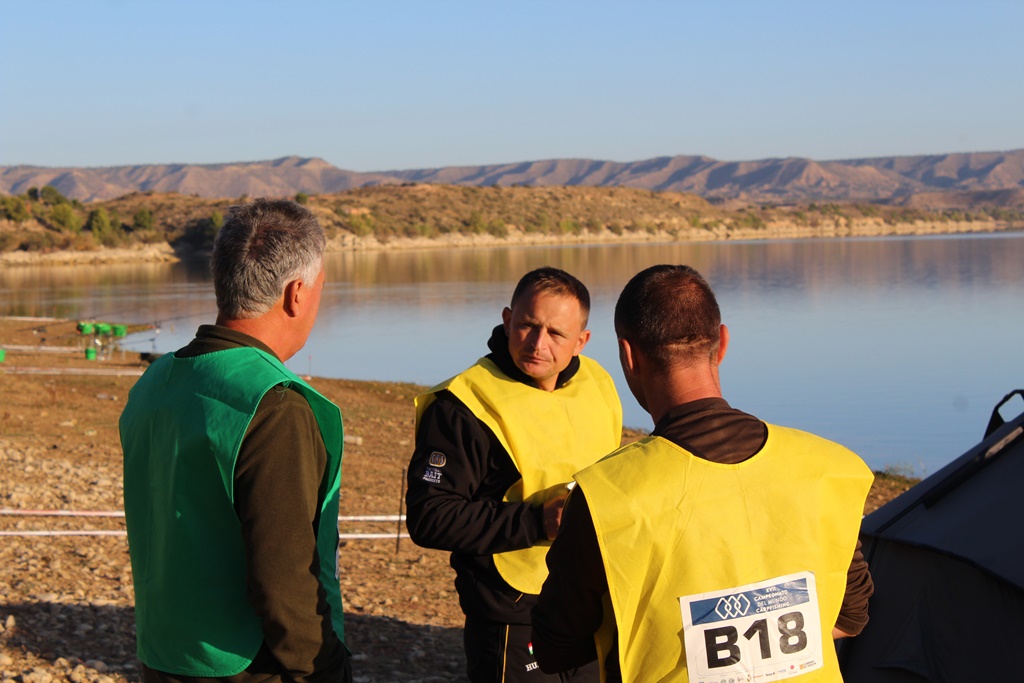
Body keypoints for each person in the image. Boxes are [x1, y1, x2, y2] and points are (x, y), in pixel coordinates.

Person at [532, 265, 874, 683]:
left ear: (628, 355)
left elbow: (554, 648)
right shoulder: (830, 469)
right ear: (723, 343)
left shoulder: (607, 495)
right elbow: (851, 615)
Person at [120, 199, 352, 683]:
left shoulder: (155, 383)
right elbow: (284, 578)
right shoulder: (275, 406)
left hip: (163, 655)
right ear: (297, 294)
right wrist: (325, 668)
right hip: (246, 666)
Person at [406, 267, 623, 683]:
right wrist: (539, 521)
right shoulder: (463, 404)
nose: (538, 344)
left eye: (557, 334)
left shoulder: (599, 383)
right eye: (527, 325)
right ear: (507, 319)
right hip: (512, 613)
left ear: (582, 341)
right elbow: (429, 517)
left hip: (592, 600)